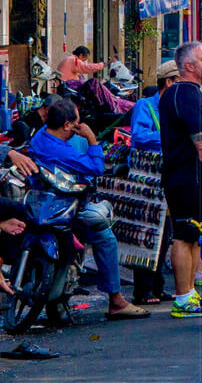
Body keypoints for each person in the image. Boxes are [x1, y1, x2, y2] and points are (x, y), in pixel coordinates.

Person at [29, 98, 149, 319]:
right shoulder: (62, 150)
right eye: (76, 123)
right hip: (65, 207)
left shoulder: (39, 137)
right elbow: (96, 167)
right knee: (105, 238)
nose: (78, 127)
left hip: (43, 204)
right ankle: (116, 300)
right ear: (67, 125)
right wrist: (92, 139)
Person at [159, 42, 202, 318]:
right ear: (188, 66)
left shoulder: (175, 94)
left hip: (181, 177)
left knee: (190, 235)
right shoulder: (188, 96)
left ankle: (188, 293)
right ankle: (184, 296)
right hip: (191, 179)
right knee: (186, 237)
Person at [129, 61, 179, 305]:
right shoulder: (145, 106)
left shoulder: (177, 108)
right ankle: (144, 290)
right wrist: (169, 137)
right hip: (148, 181)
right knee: (146, 234)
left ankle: (158, 287)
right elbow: (138, 136)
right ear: (168, 82)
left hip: (169, 178)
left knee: (166, 233)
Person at [55, 45, 133, 114]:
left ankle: (113, 100)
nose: (84, 62)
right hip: (71, 88)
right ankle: (113, 103)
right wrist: (104, 64)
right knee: (94, 83)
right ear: (81, 55)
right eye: (84, 60)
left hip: (69, 87)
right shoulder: (73, 60)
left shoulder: (69, 60)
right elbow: (87, 67)